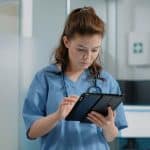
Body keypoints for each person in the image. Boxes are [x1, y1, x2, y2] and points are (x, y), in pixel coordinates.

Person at [23, 6, 128, 150]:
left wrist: (108, 126)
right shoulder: (45, 78)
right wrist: (57, 116)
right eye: (81, 49)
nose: (88, 56)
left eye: (95, 50)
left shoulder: (107, 81)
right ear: (66, 42)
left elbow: (111, 136)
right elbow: (32, 132)